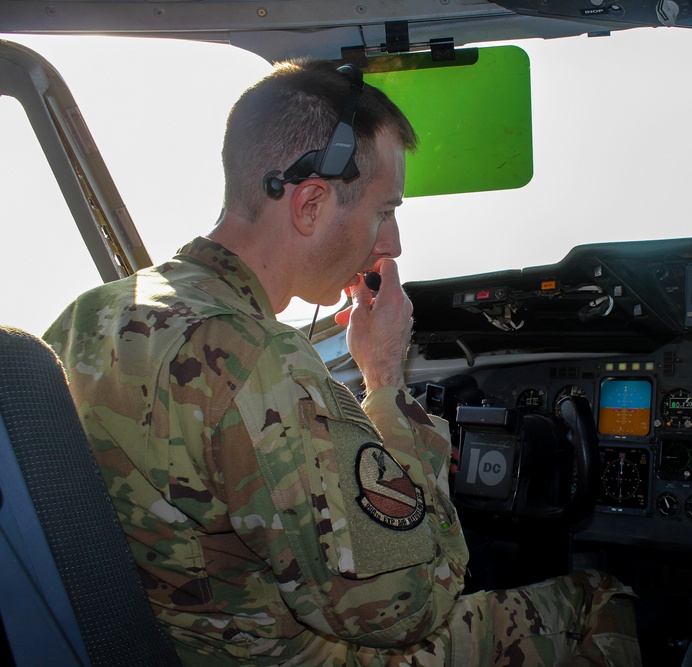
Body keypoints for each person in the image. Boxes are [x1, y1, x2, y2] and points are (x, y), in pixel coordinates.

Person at [44, 59, 641, 666]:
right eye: (384, 212)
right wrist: (382, 377)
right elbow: (406, 606)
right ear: (309, 205)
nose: (393, 244)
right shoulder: (253, 360)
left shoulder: (89, 315)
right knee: (599, 599)